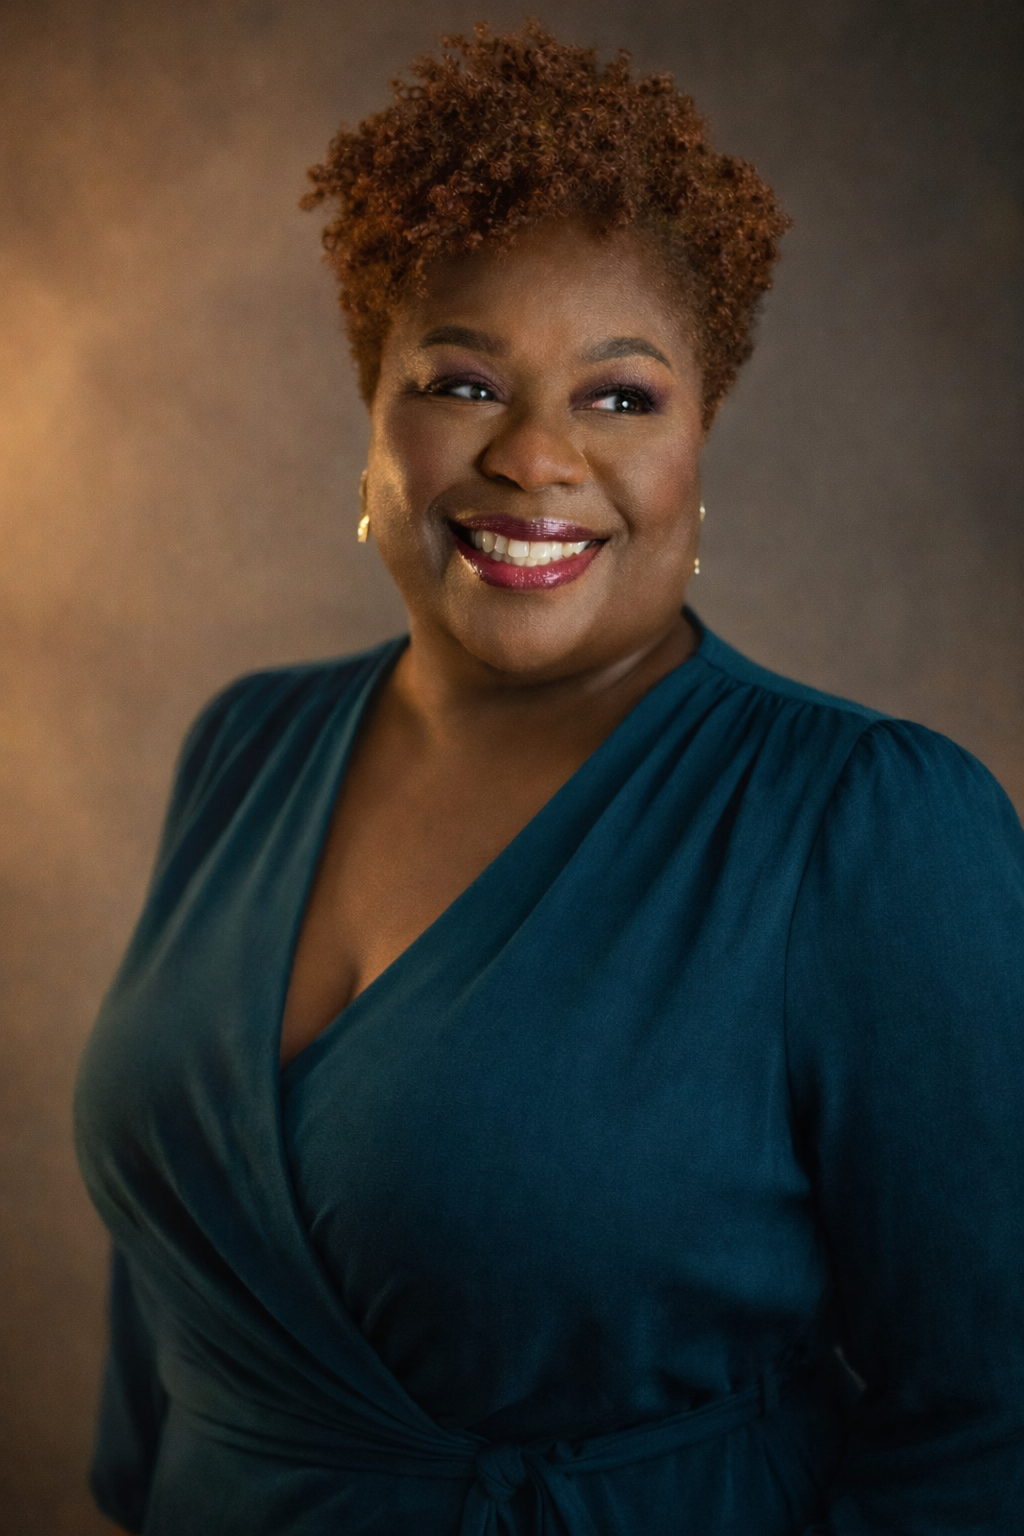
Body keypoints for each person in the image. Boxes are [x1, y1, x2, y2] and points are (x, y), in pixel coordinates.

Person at [74, 23, 1024, 1536]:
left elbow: (988, 1431)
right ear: (374, 416)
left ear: (701, 441)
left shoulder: (871, 825)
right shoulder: (246, 745)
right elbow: (168, 1333)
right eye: (463, 383)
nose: (534, 458)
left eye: (621, 398)